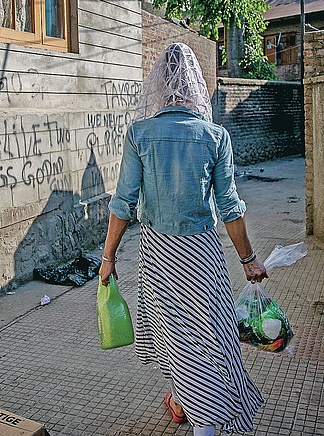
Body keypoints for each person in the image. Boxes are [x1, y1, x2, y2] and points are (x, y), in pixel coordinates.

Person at [99, 42, 268, 435]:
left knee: (173, 333)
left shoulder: (140, 133)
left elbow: (123, 203)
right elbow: (230, 206)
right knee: (206, 337)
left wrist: (108, 258)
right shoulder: (215, 136)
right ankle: (188, 405)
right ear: (196, 83)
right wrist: (248, 260)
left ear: (158, 84)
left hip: (158, 255)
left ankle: (200, 421)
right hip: (202, 255)